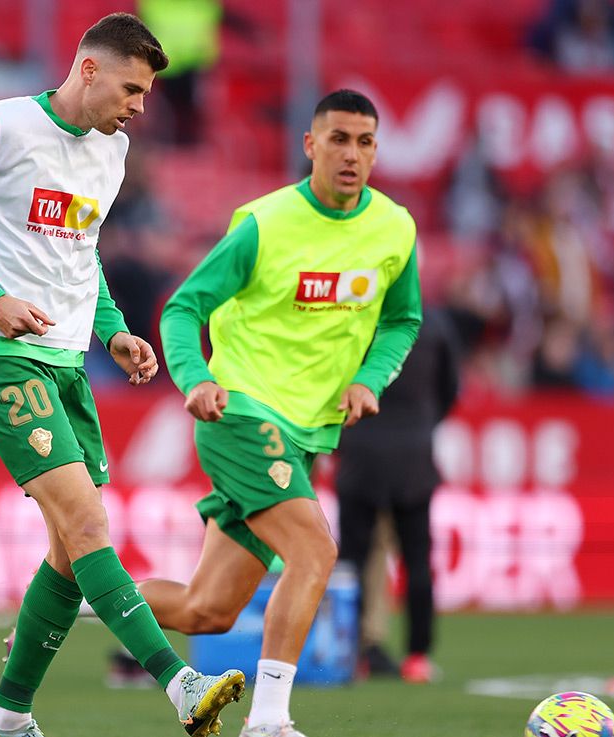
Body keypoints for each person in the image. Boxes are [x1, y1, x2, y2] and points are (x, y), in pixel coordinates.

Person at [0, 14, 244, 737]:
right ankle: (181, 684)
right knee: (87, 521)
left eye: (146, 93)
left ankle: (6, 717)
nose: (141, 105)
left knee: (65, 546)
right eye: (132, 87)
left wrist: (112, 330)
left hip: (66, 361)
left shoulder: (111, 152)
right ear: (88, 69)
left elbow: (79, 255)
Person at [141, 89, 422, 737]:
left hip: (302, 433)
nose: (352, 154)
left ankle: (67, 599)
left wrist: (369, 379)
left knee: (204, 608)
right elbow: (184, 307)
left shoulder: (394, 229)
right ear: (311, 145)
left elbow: (403, 318)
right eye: (339, 139)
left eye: (365, 141)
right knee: (317, 550)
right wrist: (196, 376)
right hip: (241, 416)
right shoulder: (264, 224)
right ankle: (268, 722)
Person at [335, 307, 460, 684]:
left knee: (353, 561)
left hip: (359, 450)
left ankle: (353, 653)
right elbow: (450, 389)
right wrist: (420, 424)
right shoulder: (434, 321)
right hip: (413, 455)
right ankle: (417, 656)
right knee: (417, 560)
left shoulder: (349, 316)